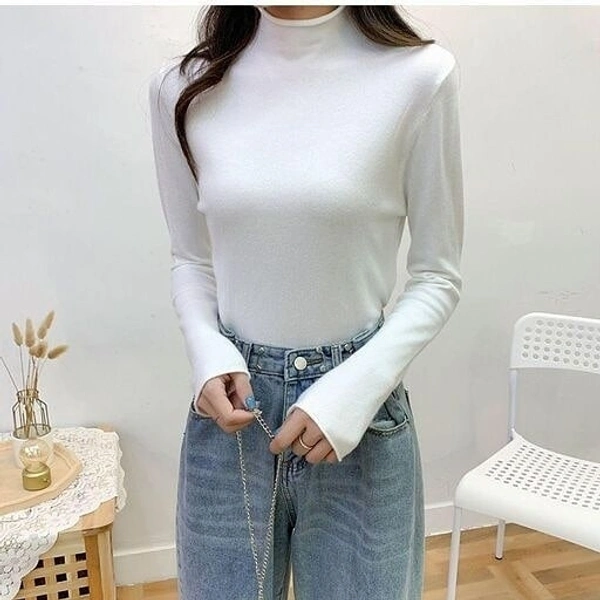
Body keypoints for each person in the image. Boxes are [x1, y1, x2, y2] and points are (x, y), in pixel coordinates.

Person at [148, 5, 464, 599]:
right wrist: (207, 352)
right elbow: (191, 259)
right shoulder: (182, 87)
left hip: (360, 417)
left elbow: (437, 275)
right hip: (232, 413)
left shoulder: (420, 76)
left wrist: (355, 389)